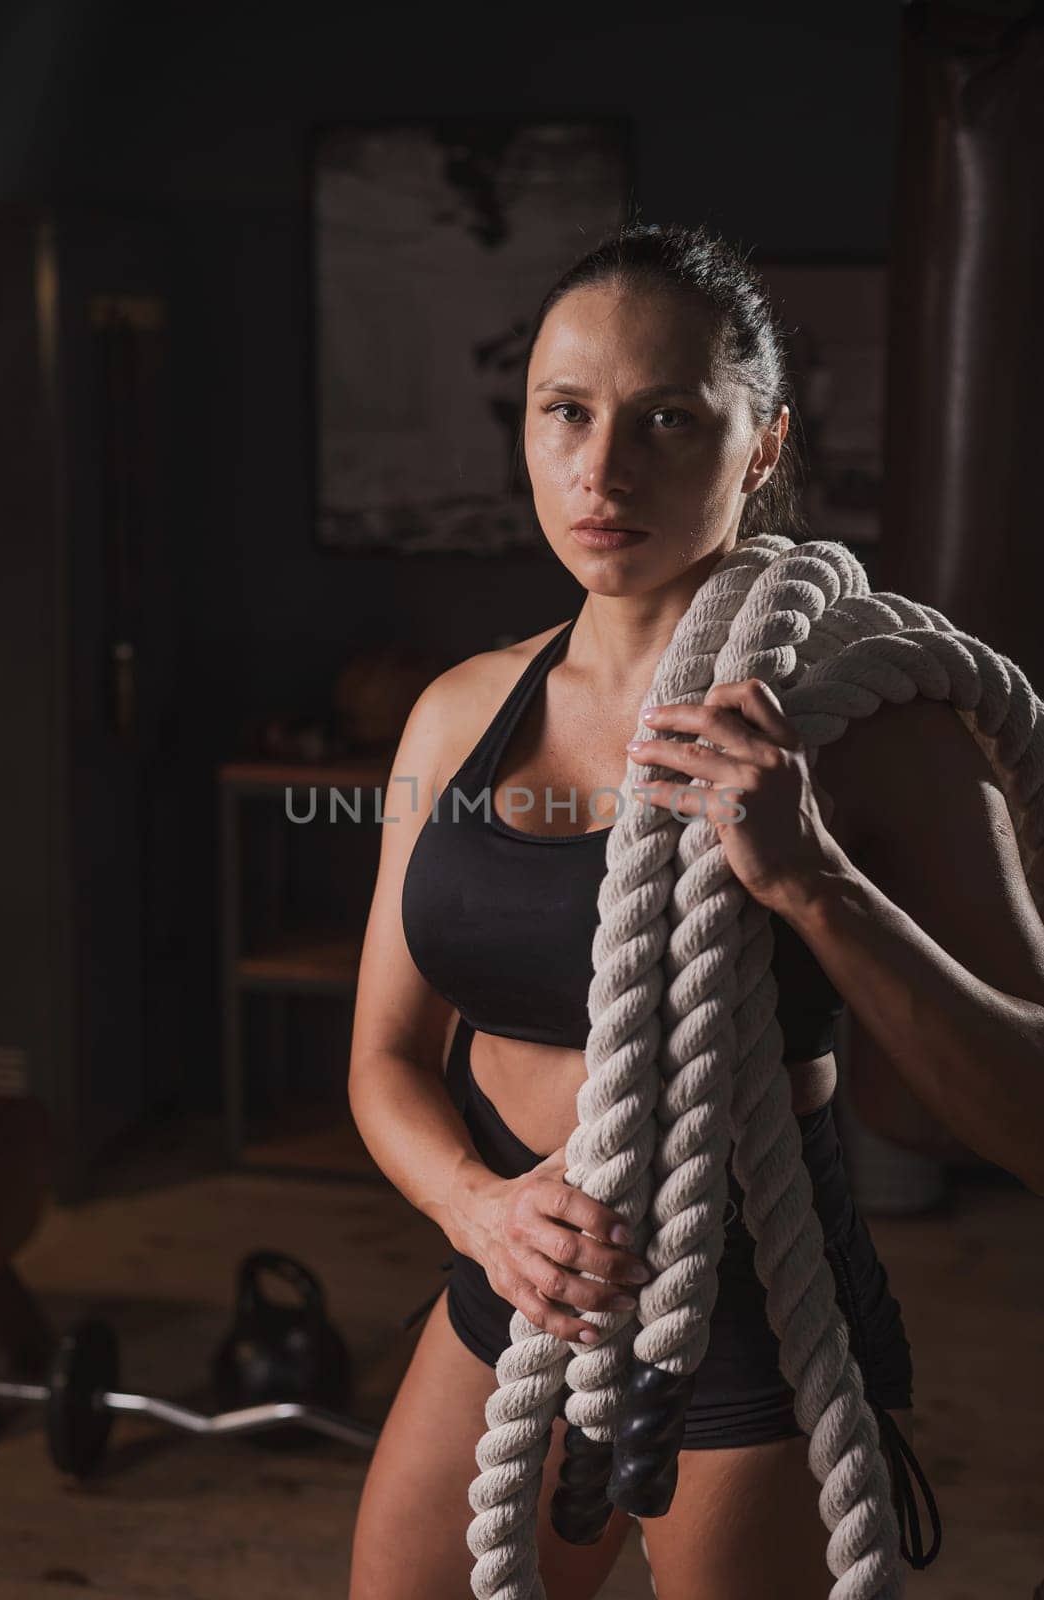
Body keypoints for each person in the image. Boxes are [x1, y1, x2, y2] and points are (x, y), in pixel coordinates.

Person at [347, 222, 1044, 1599]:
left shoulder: (868, 729)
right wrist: (479, 1212)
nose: (602, 470)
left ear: (764, 444)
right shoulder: (457, 712)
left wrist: (811, 882)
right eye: (566, 414)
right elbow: (380, 1059)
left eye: (667, 419)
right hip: (513, 1271)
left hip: (745, 1303)